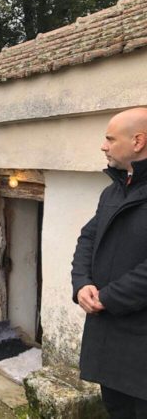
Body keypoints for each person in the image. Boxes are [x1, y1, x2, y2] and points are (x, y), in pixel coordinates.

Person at [72, 107, 147, 418]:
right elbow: (88, 238)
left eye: (110, 139)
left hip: (141, 342)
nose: (103, 146)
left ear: (138, 141)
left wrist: (106, 297)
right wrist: (82, 284)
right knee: (116, 409)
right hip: (109, 340)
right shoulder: (112, 192)